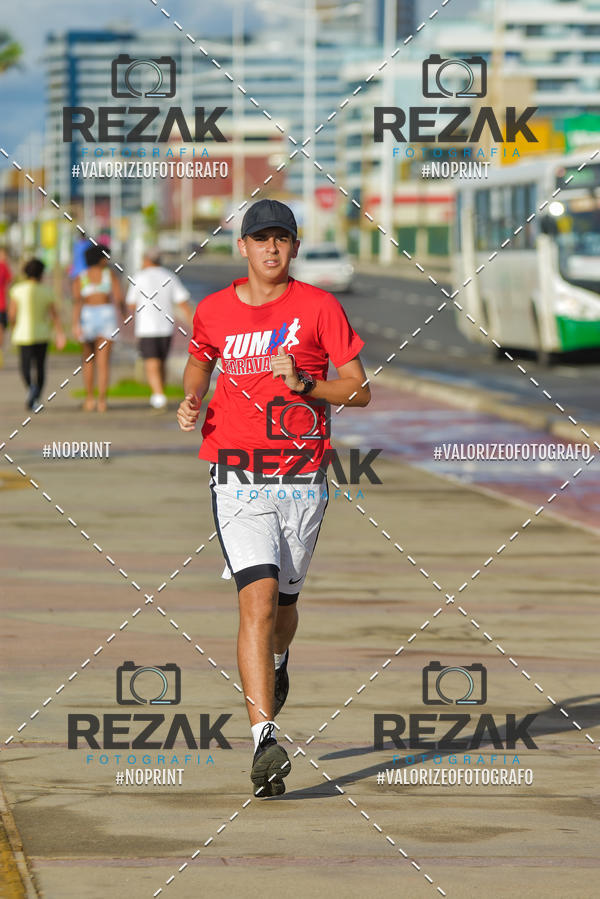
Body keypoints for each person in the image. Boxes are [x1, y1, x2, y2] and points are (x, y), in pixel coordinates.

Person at [177, 199, 370, 797]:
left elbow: (359, 390)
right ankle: (264, 742)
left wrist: (308, 384)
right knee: (256, 602)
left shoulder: (320, 307)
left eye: (281, 238)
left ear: (294, 246)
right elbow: (198, 363)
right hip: (236, 473)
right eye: (260, 238)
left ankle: (279, 661)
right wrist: (192, 398)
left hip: (302, 479)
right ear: (242, 247)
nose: (271, 248)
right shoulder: (213, 309)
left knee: (283, 607)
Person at [126, 247, 194, 409]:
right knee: (161, 361)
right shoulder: (169, 276)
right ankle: (160, 394)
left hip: (146, 327)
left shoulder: (139, 277)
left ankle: (158, 395)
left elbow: (131, 304)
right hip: (166, 327)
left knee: (151, 361)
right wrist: (194, 326)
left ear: (146, 260)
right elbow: (183, 303)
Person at [72, 243, 124, 412]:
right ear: (100, 258)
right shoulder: (109, 275)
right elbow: (119, 298)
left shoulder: (81, 277)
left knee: (88, 360)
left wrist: (75, 324)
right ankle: (102, 401)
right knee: (103, 362)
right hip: (106, 314)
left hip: (87, 315)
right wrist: (125, 315)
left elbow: (77, 302)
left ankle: (89, 399)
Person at [8, 258, 65, 409]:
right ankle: (36, 396)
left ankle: (31, 389)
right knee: (40, 366)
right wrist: (60, 333)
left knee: (25, 367)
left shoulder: (17, 290)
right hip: (42, 333)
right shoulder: (47, 291)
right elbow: (54, 315)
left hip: (22, 333)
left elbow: (12, 315)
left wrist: (13, 328)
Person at [0, 247, 13, 367]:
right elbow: (9, 284)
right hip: (2, 304)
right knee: (1, 329)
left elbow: (9, 284)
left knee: (2, 329)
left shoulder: (5, 267)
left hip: (2, 303)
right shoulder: (4, 267)